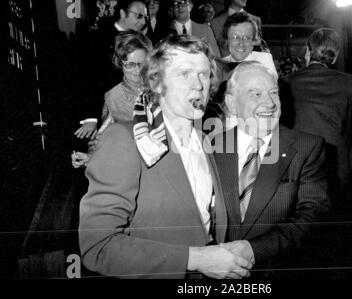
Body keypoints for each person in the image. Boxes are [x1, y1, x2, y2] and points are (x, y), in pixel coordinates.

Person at [78, 34, 253, 279]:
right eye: (185, 73)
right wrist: (196, 259)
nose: (198, 85)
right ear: (158, 83)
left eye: (203, 74)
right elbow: (98, 248)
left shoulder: (206, 142)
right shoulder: (124, 140)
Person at [212, 61, 330, 278]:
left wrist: (255, 249)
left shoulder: (307, 148)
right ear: (231, 103)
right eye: (256, 94)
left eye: (273, 93)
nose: (270, 103)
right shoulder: (210, 148)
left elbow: (313, 216)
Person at [279, 28, 352, 207]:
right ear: (335, 56)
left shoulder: (286, 82)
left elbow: (282, 129)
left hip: (299, 164)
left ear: (307, 51)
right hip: (339, 167)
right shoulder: (351, 83)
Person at [72, 31, 152, 168]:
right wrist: (90, 157)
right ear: (120, 64)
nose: (137, 71)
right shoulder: (114, 96)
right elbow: (102, 136)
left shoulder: (161, 88)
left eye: (142, 64)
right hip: (134, 165)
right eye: (130, 65)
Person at [74, 0, 148, 141]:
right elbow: (87, 77)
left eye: (145, 17)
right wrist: (90, 117)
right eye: (139, 15)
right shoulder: (97, 38)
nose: (143, 21)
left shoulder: (143, 41)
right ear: (122, 13)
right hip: (103, 114)